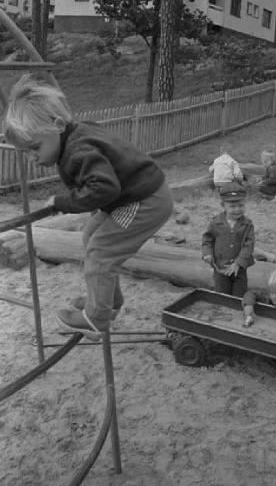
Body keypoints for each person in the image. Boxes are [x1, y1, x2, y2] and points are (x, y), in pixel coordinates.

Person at [4, 75, 173, 339]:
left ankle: (97, 318)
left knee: (101, 252)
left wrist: (63, 203)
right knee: (90, 236)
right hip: (138, 193)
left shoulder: (78, 150)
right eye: (26, 152)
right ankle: (107, 303)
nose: (33, 157)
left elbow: (105, 188)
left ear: (58, 125)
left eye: (35, 147)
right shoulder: (77, 135)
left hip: (143, 200)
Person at [202, 183, 254, 297]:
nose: (237, 210)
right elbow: (207, 240)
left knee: (239, 294)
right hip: (220, 267)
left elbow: (248, 245)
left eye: (241, 205)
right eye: (232, 206)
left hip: (239, 269)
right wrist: (207, 254)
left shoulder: (247, 224)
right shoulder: (216, 223)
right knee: (222, 294)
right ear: (223, 205)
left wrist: (238, 263)